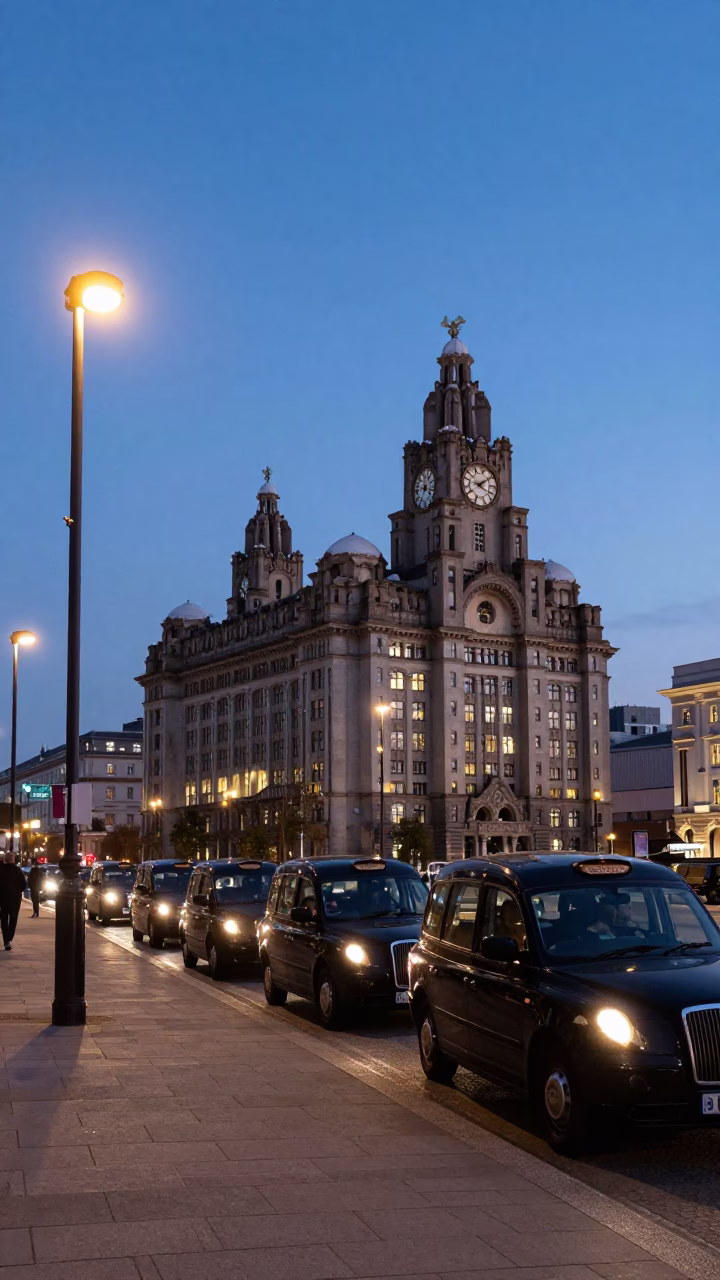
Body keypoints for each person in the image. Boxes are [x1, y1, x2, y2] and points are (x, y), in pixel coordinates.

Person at [0, 852, 27, 950]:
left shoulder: (1, 870)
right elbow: (24, 884)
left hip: (3, 898)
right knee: (13, 918)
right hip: (15, 898)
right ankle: (10, 938)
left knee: (3, 919)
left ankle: (6, 940)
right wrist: (17, 892)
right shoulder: (18, 870)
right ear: (13, 860)